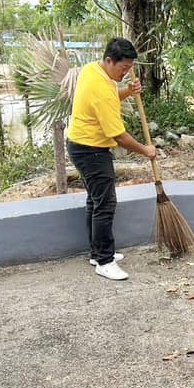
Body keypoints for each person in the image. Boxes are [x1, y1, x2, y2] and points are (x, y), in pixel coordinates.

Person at [67, 37, 157, 281]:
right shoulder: (101, 88)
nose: (126, 72)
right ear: (109, 60)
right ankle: (104, 261)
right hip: (90, 150)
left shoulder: (93, 71)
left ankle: (97, 253)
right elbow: (119, 136)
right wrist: (145, 150)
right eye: (123, 68)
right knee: (105, 203)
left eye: (129, 68)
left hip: (80, 144)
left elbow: (107, 97)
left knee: (95, 201)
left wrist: (127, 91)